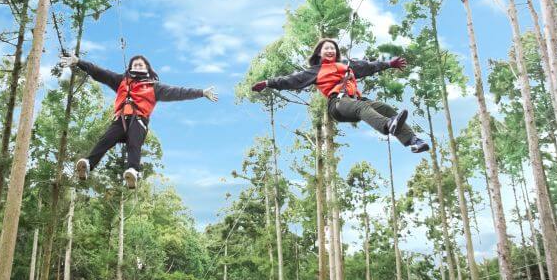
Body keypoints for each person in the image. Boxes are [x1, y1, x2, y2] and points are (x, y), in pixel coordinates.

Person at [61, 53, 218, 188]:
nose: (137, 64)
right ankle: (88, 164)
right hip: (120, 120)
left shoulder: (154, 87)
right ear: (130, 67)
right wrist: (78, 62)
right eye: (134, 63)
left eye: (140, 64)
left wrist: (201, 92)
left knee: (134, 144)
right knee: (105, 140)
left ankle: (133, 171)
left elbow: (178, 92)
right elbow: (99, 72)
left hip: (139, 120)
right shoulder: (121, 80)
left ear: (147, 69)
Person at [251, 38, 430, 153]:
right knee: (362, 107)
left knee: (386, 108)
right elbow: (292, 80)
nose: (330, 51)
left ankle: (413, 140)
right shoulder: (316, 71)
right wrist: (268, 83)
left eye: (332, 48)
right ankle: (387, 125)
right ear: (319, 53)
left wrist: (389, 64)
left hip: (356, 101)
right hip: (337, 104)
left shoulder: (348, 66)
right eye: (326, 49)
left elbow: (369, 66)